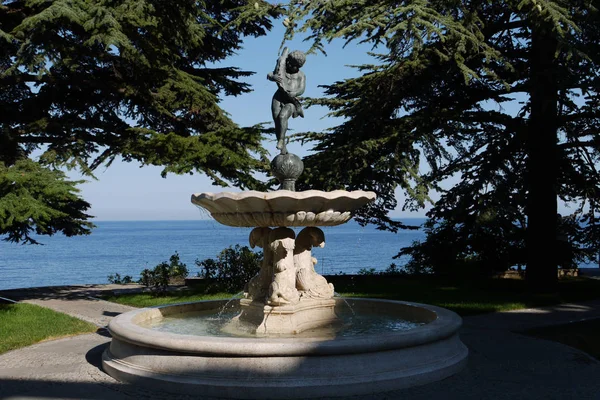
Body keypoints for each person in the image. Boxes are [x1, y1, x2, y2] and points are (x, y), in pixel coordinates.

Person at [267, 48, 306, 155]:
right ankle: (283, 149)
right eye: (288, 62)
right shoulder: (283, 69)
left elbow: (302, 89)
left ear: (297, 66)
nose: (288, 64)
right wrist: (273, 77)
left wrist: (295, 93)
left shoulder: (300, 75)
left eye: (291, 64)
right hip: (278, 97)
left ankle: (281, 140)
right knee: (277, 123)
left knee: (282, 116)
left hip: (291, 101)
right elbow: (270, 74)